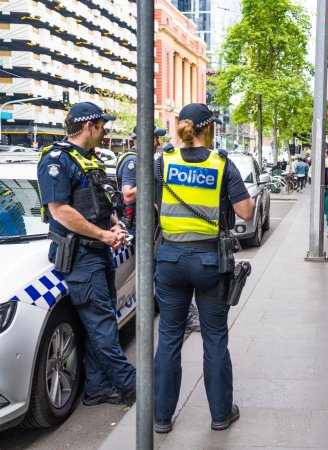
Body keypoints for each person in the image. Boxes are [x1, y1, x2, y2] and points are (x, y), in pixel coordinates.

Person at [152, 103, 255, 434]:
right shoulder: (221, 163)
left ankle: (162, 417)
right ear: (208, 128)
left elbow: (156, 204)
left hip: (170, 259)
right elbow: (247, 211)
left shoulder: (164, 160)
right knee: (214, 338)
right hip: (210, 262)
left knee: (169, 337)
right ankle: (221, 414)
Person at [36, 102, 136, 406]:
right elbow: (61, 212)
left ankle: (97, 387)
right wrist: (104, 235)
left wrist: (115, 227)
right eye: (103, 125)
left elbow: (103, 202)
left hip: (98, 253)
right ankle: (134, 385)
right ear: (89, 126)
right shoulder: (56, 161)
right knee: (103, 325)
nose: (106, 130)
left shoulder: (88, 160)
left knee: (101, 325)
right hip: (81, 258)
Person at [116, 125, 166, 236]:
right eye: (155, 138)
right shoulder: (134, 161)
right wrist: (151, 180)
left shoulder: (140, 159)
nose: (158, 143)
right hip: (136, 226)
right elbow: (127, 196)